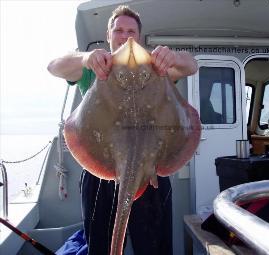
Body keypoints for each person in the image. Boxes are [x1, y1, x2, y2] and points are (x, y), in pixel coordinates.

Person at [47, 5, 198, 255]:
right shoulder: (94, 67)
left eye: (131, 31)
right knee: (100, 246)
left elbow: (191, 65)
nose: (125, 36)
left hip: (151, 171)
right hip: (102, 168)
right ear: (109, 35)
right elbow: (53, 66)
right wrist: (85, 58)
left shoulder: (157, 68)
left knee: (153, 247)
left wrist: (174, 58)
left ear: (138, 36)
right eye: (118, 30)